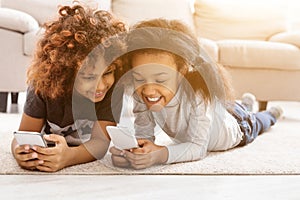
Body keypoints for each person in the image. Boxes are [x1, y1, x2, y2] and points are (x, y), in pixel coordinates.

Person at [110, 18, 283, 170]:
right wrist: (135, 152)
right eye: (139, 78)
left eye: (160, 80)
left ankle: (271, 113)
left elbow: (198, 148)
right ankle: (245, 103)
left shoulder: (197, 94)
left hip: (238, 127)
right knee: (231, 107)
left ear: (182, 71)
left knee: (256, 121)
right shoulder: (140, 93)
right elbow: (145, 136)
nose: (148, 90)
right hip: (216, 114)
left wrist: (159, 155)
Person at [11, 4, 127, 172]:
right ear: (64, 74)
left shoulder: (113, 88)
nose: (101, 86)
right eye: (88, 77)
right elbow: (24, 135)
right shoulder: (43, 86)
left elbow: (100, 143)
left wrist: (68, 158)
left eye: (108, 72)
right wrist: (20, 152)